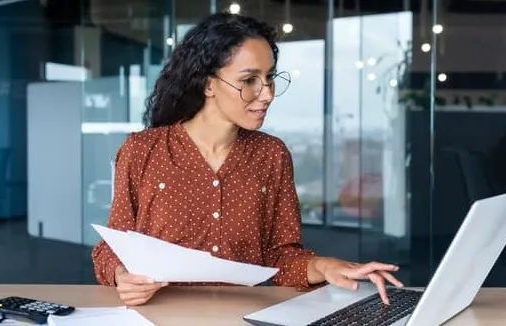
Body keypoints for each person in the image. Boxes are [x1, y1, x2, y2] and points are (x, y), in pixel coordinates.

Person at [92, 12, 403, 307]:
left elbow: (281, 259)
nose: (266, 93)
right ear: (208, 84)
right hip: (157, 314)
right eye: (249, 80)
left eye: (269, 78)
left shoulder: (272, 155)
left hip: (242, 315)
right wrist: (122, 275)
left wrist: (326, 266)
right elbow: (111, 247)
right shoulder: (143, 150)